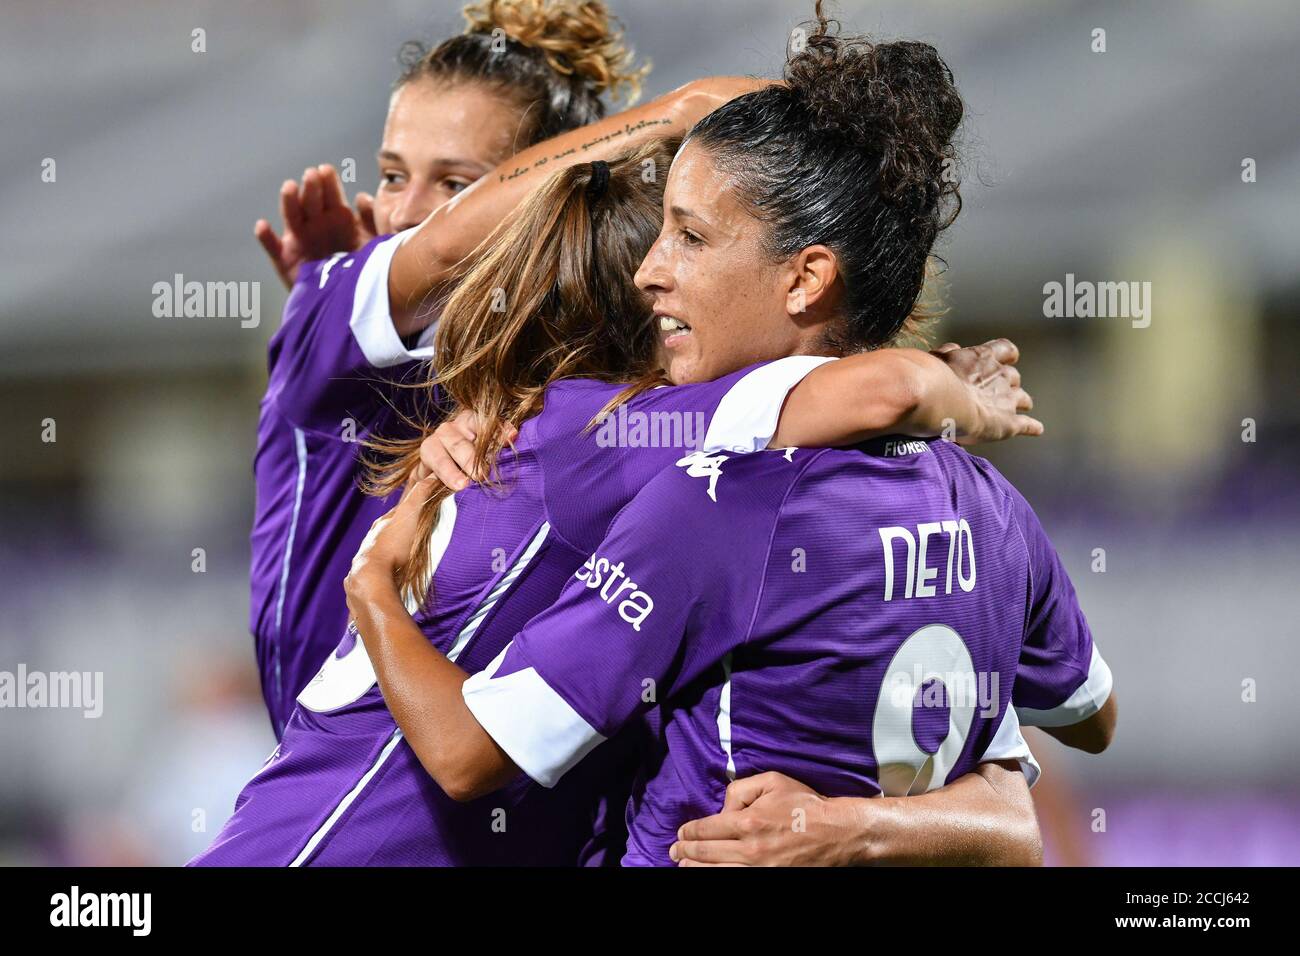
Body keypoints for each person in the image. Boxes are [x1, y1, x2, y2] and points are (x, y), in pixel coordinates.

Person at [344, 13, 1115, 866]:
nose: (649, 269)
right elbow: (1085, 727)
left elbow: (468, 756)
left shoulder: (717, 505)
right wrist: (866, 829)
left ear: (806, 278)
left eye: (691, 236)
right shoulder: (993, 507)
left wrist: (373, 585)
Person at [193, 135, 1044, 867]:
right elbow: (882, 387)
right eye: (668, 242)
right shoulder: (615, 434)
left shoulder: (553, 438)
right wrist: (958, 394)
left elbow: (1018, 818)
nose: (661, 272)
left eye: (692, 240)